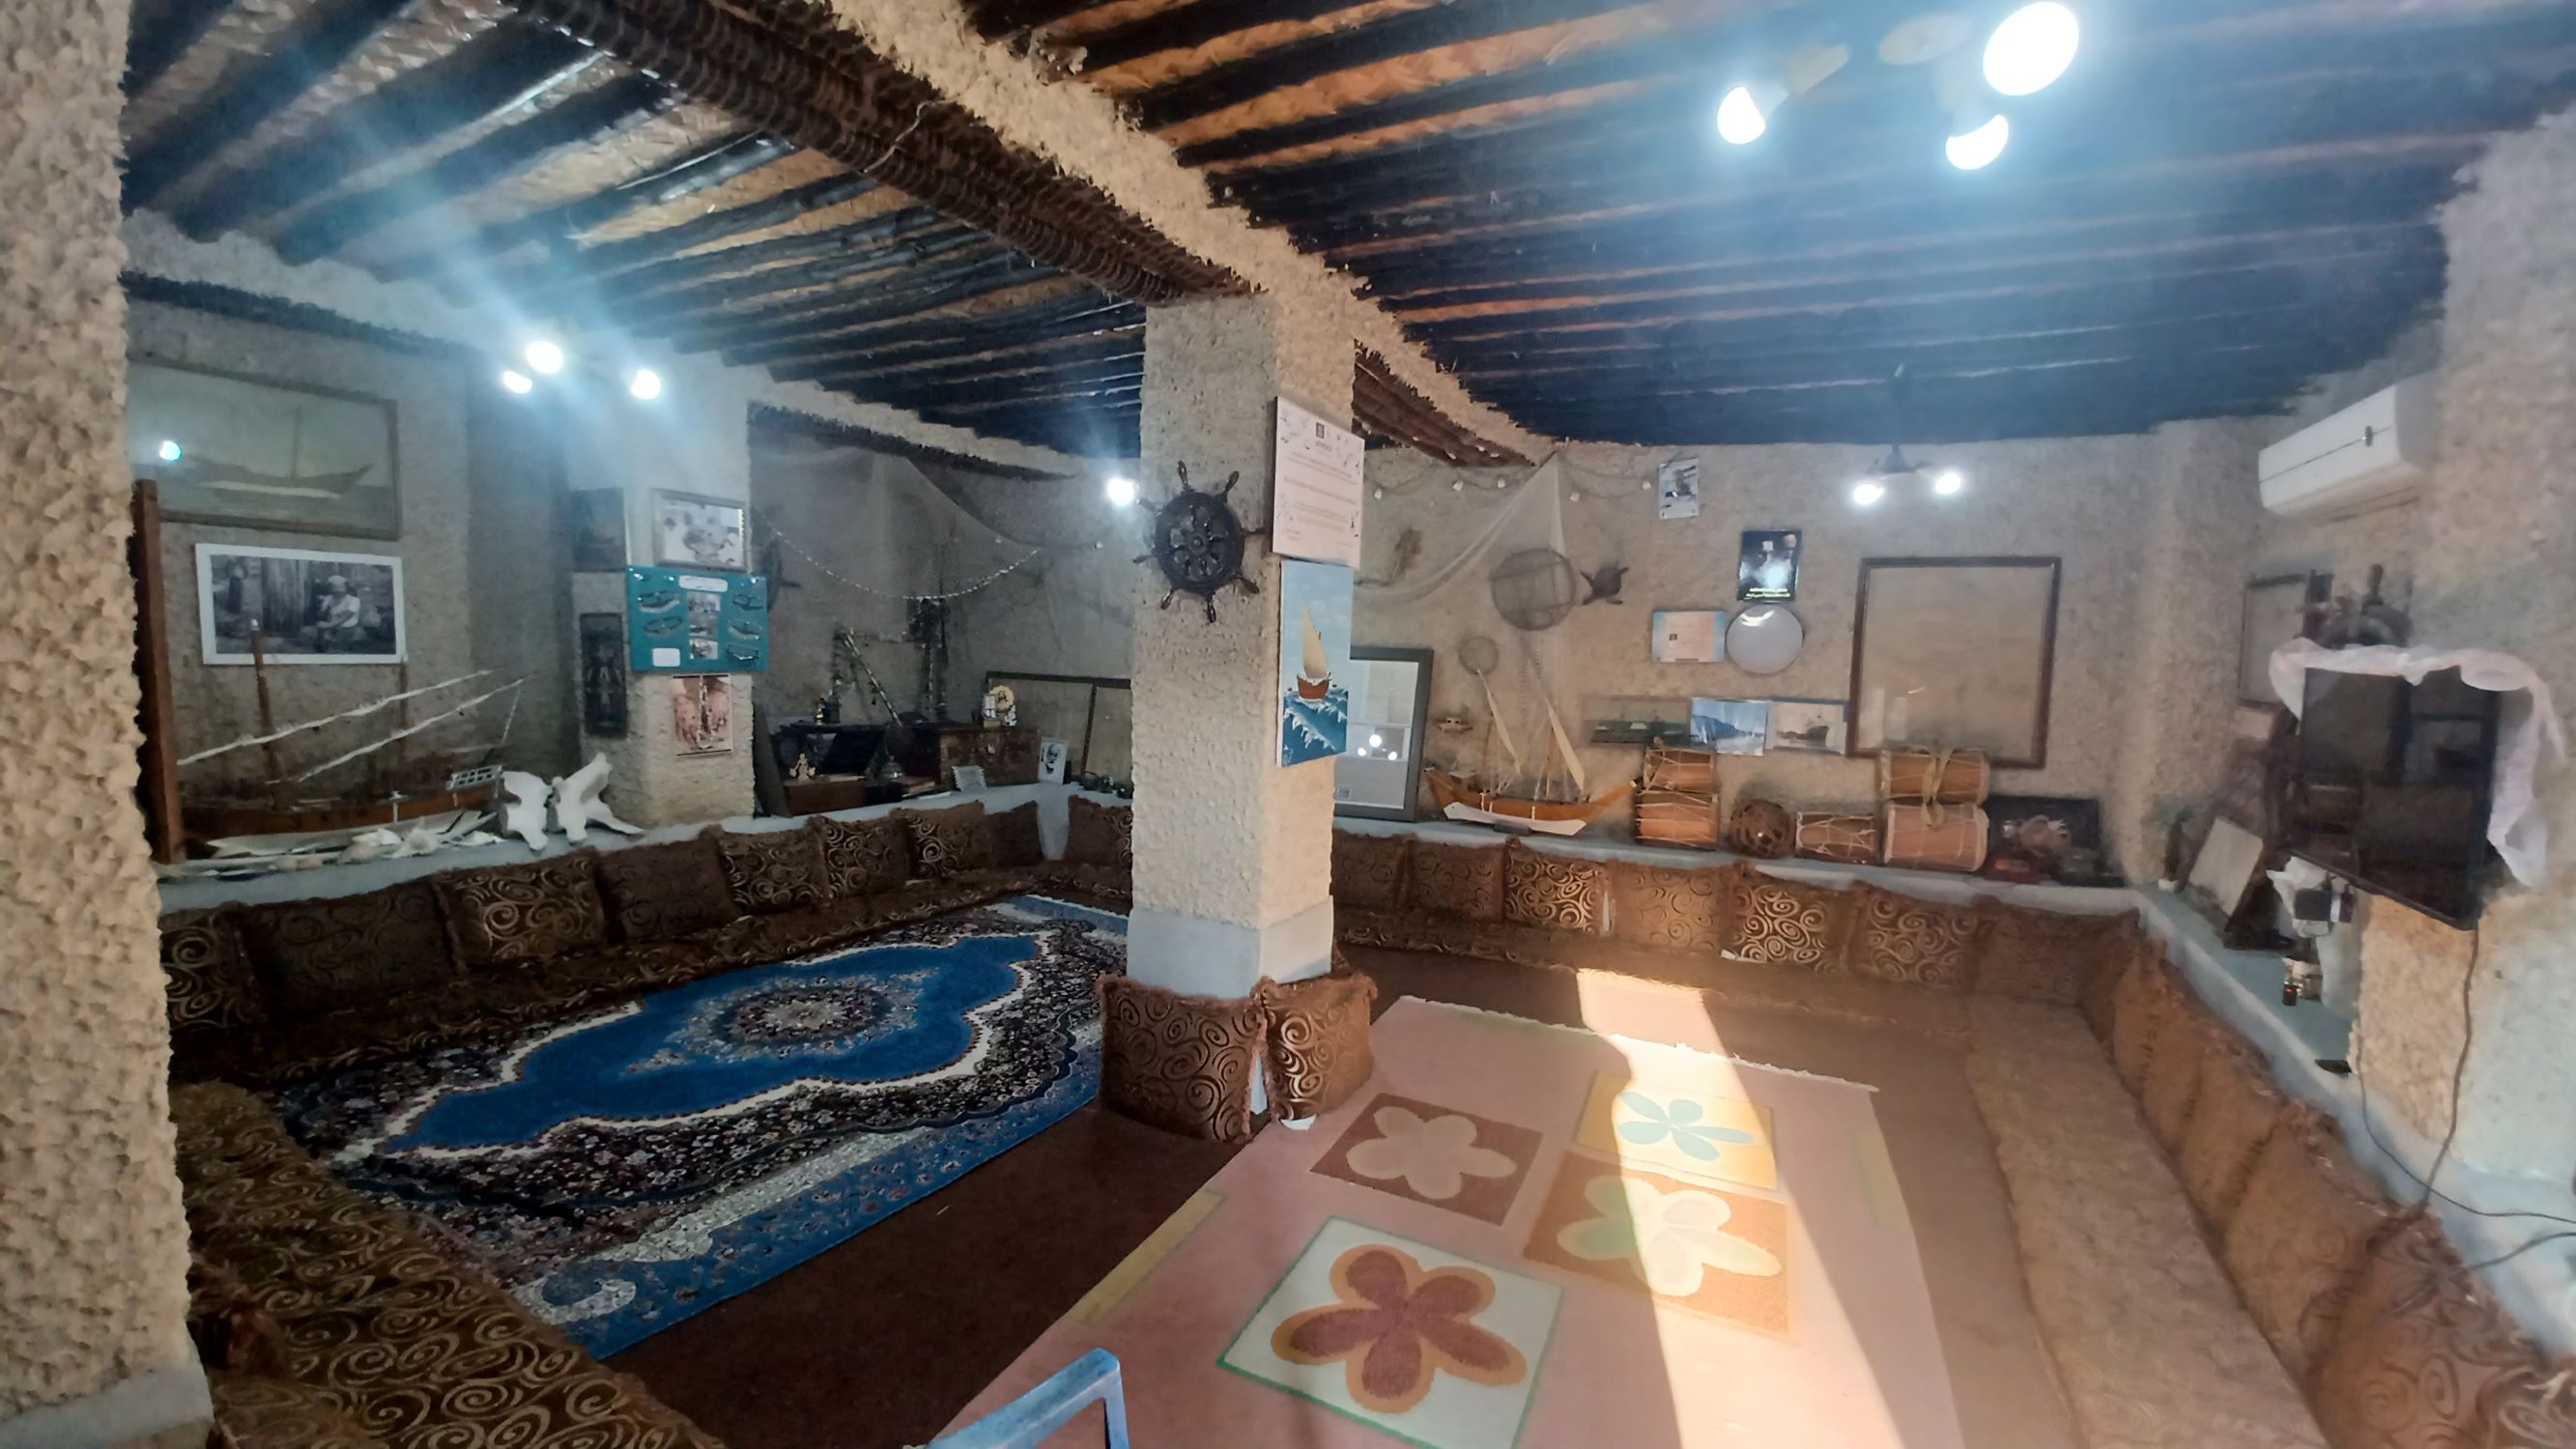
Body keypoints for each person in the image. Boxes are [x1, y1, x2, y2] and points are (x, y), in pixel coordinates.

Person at [316, 575, 366, 649]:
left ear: (346, 588)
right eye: (334, 587)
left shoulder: (354, 600)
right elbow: (322, 616)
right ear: (331, 588)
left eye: (341, 588)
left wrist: (330, 625)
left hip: (348, 629)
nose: (338, 591)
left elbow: (347, 615)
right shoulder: (328, 598)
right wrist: (329, 607)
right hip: (331, 629)